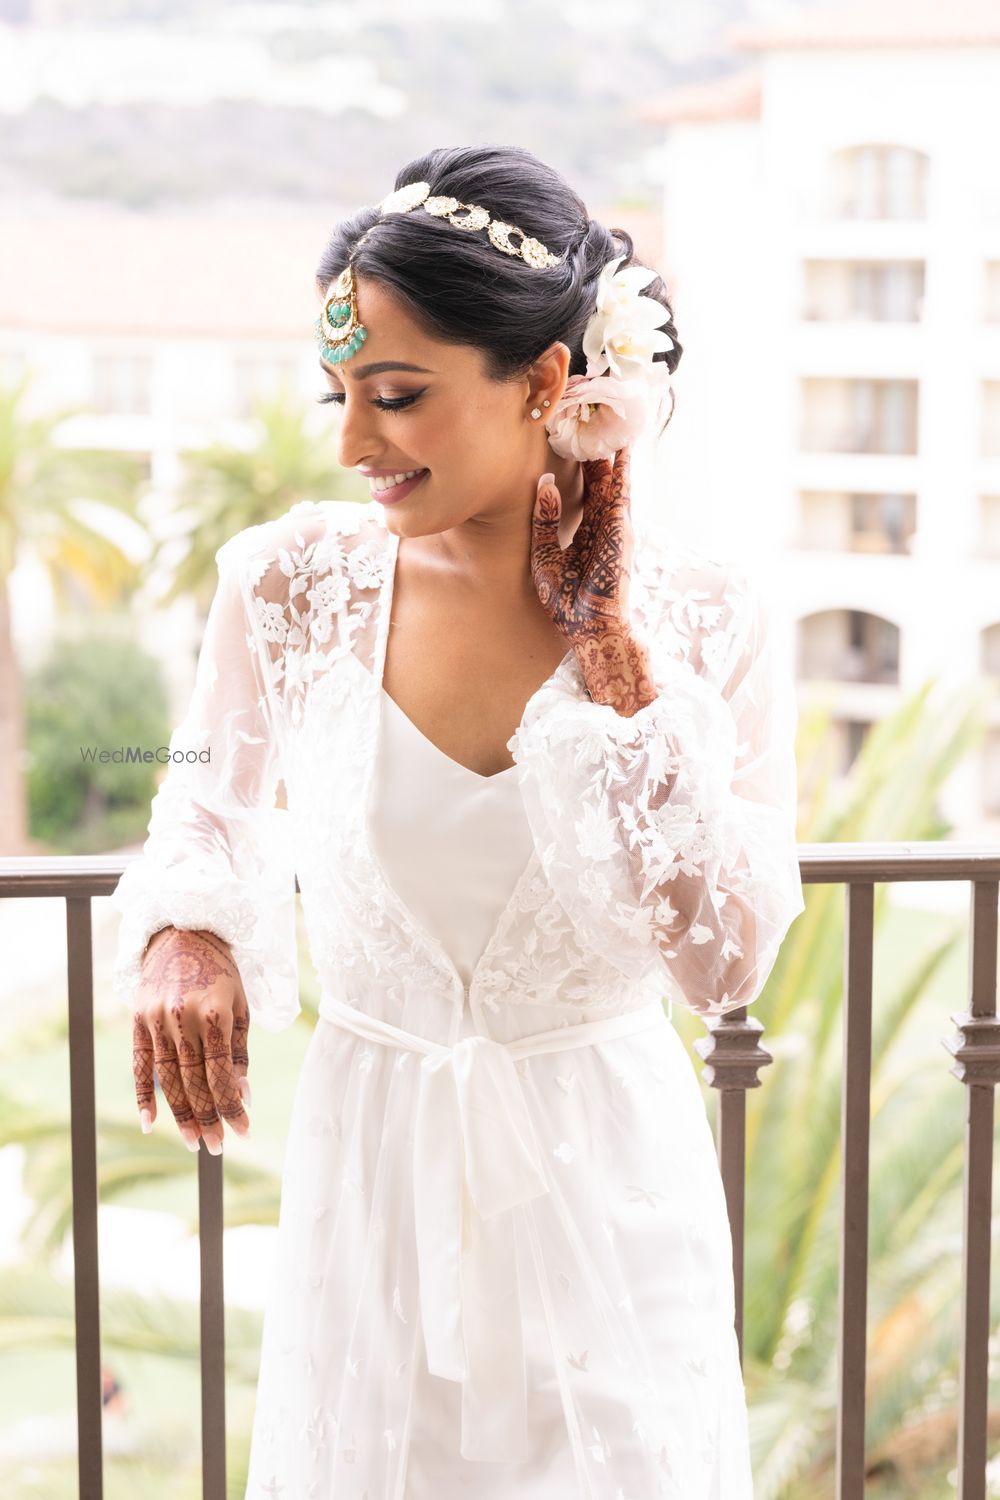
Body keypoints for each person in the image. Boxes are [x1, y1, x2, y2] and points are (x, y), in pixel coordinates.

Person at [111, 144, 805, 1499]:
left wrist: (614, 658)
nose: (353, 444)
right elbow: (199, 784)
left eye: (399, 397)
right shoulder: (286, 584)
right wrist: (183, 930)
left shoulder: (709, 616)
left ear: (548, 382)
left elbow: (724, 968)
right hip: (374, 1196)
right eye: (341, 395)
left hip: (611, 1205)